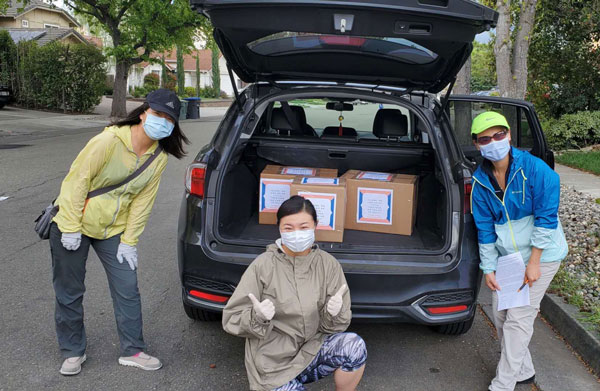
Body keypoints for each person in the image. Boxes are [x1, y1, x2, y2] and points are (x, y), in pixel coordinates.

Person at [50, 89, 189, 376]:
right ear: (143, 113)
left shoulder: (158, 156)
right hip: (72, 224)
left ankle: (133, 350)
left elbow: (142, 201)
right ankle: (73, 351)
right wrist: (71, 227)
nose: (162, 122)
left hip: (112, 230)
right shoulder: (108, 141)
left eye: (169, 119)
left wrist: (130, 241)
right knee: (70, 292)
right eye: (158, 114)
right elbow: (77, 182)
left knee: (127, 289)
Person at [223, 196, 367, 391]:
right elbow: (231, 318)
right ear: (280, 229)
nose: (296, 234)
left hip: (311, 350)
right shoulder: (263, 265)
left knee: (354, 347)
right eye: (288, 228)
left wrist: (335, 313)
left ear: (315, 225)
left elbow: (335, 327)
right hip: (273, 364)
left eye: (304, 227)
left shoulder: (328, 264)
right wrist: (256, 317)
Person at [469, 111, 568, 391]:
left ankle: (503, 383)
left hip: (543, 255)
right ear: (477, 144)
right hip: (509, 258)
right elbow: (485, 228)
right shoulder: (480, 182)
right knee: (501, 314)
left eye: (499, 135)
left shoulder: (537, 170)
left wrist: (534, 261)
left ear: (509, 135)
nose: (494, 141)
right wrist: (488, 268)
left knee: (519, 318)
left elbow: (547, 218)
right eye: (485, 138)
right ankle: (524, 370)